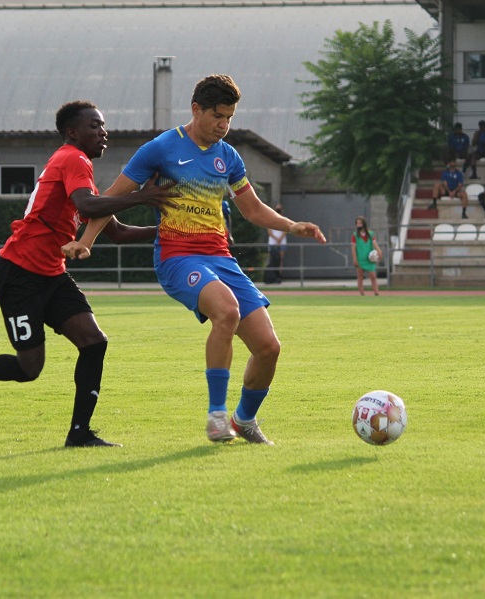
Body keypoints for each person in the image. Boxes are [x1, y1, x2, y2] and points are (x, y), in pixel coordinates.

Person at [79, 74, 327, 445]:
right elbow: (111, 198)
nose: (224, 126)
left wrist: (292, 225)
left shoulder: (228, 157)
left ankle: (243, 419)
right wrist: (86, 241)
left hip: (219, 258)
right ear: (196, 109)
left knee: (268, 348)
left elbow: (254, 210)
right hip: (178, 257)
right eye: (218, 116)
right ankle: (215, 416)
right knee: (226, 311)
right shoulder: (161, 148)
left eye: (229, 118)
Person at [0, 100, 178, 448]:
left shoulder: (78, 171)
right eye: (94, 125)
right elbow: (88, 207)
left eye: (103, 125)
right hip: (19, 273)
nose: (103, 132)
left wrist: (175, 231)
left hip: (51, 274)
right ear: (72, 132)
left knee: (94, 342)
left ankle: (79, 433)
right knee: (29, 368)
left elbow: (118, 232)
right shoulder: (72, 158)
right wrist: (141, 196)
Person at [351, 216, 383, 296]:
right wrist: (354, 258)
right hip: (360, 257)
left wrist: (379, 251)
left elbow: (374, 244)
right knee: (360, 275)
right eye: (357, 223)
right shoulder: (355, 235)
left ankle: (376, 292)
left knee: (373, 276)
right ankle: (362, 293)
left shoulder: (371, 234)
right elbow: (353, 247)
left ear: (364, 224)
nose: (358, 225)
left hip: (370, 258)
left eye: (360, 223)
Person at [264, 204, 287, 284]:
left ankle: (278, 276)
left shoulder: (284, 219)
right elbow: (269, 231)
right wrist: (277, 239)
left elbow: (286, 230)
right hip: (273, 242)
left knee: (280, 260)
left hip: (281, 242)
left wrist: (279, 239)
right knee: (272, 260)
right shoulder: (271, 219)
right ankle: (272, 276)